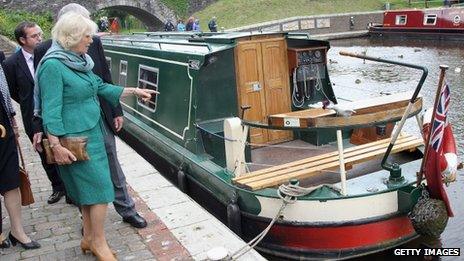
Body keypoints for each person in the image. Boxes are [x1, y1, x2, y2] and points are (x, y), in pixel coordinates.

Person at [36, 12, 156, 259]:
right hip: (74, 141)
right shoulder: (53, 65)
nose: (91, 40)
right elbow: (51, 110)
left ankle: (89, 238)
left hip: (94, 132)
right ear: (71, 37)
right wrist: (56, 145)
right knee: (100, 190)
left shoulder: (79, 61)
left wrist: (133, 90)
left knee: (91, 192)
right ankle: (99, 242)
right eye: (87, 36)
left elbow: (99, 87)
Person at [3, 21, 66, 205]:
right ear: (22, 40)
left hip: (56, 111)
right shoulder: (11, 64)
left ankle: (71, 189)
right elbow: (13, 92)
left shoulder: (51, 54)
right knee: (44, 153)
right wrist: (29, 105)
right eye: (34, 36)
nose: (40, 38)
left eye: (40, 34)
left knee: (63, 146)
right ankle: (57, 187)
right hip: (32, 116)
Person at [0, 64, 41, 250]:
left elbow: (3, 91)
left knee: (11, 181)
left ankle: (17, 231)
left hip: (3, 128)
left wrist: (13, 121)